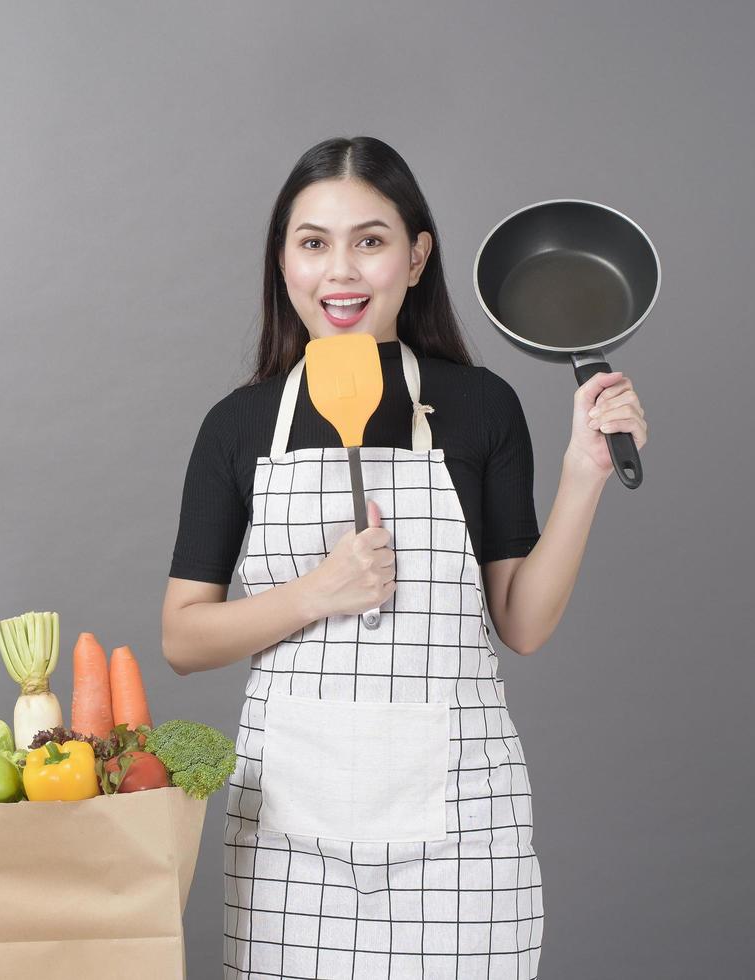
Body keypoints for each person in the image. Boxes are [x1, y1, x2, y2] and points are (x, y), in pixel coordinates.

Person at [161, 136, 647, 979]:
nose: (340, 272)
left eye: (371, 241)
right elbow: (183, 638)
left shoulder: (481, 406)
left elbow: (522, 625)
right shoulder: (238, 426)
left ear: (417, 257)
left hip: (461, 824)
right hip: (290, 834)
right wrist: (316, 592)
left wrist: (583, 476)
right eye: (313, 243)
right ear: (283, 262)